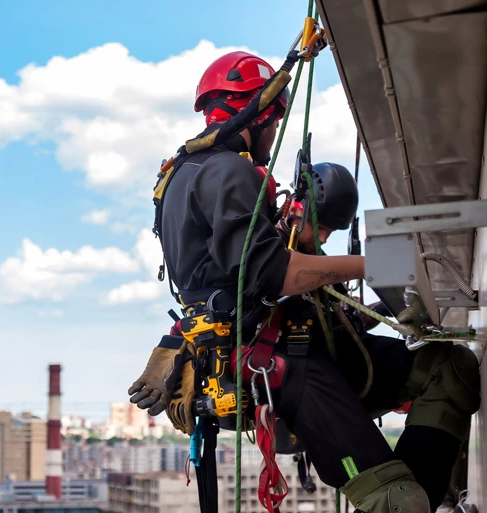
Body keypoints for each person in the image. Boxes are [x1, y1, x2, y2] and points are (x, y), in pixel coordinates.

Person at [126, 51, 480, 513]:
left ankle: (422, 501)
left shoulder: (179, 176)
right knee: (397, 501)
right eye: (273, 124)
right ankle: (403, 500)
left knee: (450, 367)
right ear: (257, 111)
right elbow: (274, 274)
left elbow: (224, 278)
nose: (272, 137)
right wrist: (371, 264)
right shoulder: (227, 169)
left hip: (289, 350)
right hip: (278, 363)